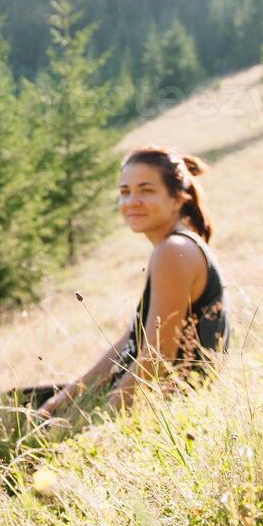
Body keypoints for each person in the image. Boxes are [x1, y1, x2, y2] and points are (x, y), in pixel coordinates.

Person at [30, 145, 229, 423]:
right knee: (22, 405)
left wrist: (97, 430)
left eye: (146, 190)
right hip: (151, 396)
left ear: (177, 199)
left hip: (172, 410)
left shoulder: (173, 251)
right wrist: (64, 398)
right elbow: (131, 341)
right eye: (125, 192)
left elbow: (156, 360)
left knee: (7, 411)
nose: (132, 201)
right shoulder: (176, 247)